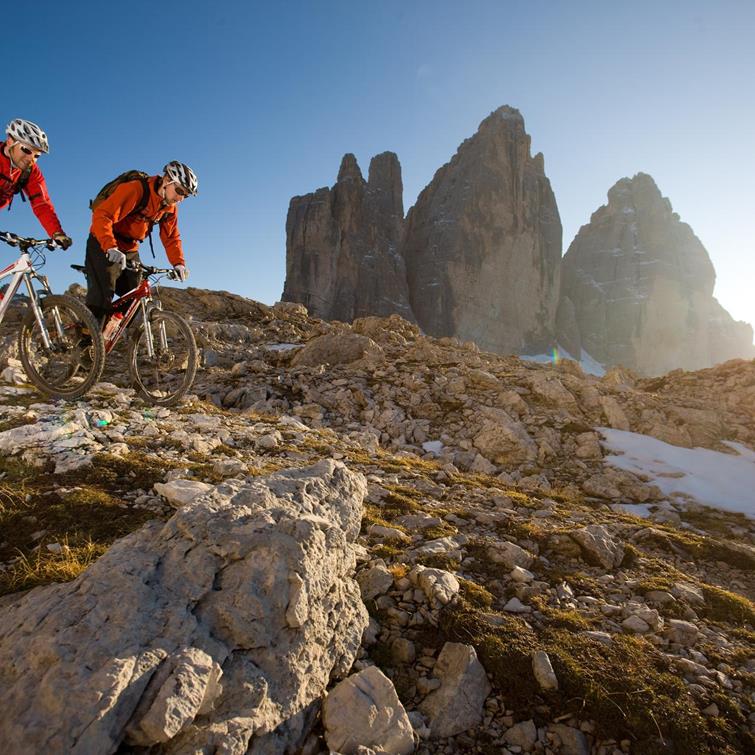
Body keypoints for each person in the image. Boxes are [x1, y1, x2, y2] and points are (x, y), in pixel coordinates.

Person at [85, 161, 198, 321]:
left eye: (185, 195)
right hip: (103, 241)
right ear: (166, 180)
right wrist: (110, 246)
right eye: (179, 191)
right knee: (103, 295)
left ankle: (109, 335)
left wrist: (178, 263)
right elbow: (102, 215)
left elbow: (171, 237)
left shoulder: (170, 208)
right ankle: (86, 340)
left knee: (135, 297)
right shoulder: (136, 189)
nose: (180, 198)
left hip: (130, 248)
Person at [0, 118, 72, 248]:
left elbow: (42, 204)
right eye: (27, 150)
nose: (31, 159)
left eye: (36, 155)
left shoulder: (31, 172)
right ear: (10, 141)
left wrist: (56, 233)